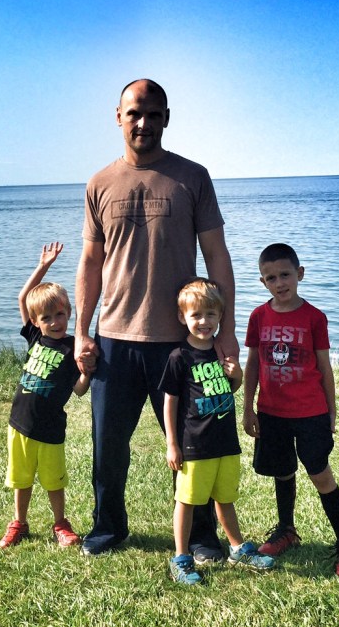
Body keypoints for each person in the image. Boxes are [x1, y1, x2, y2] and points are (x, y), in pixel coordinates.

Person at [75, 78, 239, 559]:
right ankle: (108, 527)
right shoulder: (100, 183)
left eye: (153, 114)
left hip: (181, 343)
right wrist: (82, 332)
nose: (143, 122)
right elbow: (90, 262)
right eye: (134, 113)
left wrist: (227, 331)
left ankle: (202, 536)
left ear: (166, 118)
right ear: (118, 117)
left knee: (194, 442)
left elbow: (217, 254)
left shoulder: (192, 177)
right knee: (108, 444)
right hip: (115, 338)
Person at [242, 242, 339, 577]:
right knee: (282, 471)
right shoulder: (258, 317)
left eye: (285, 275)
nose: (279, 283)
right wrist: (248, 407)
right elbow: (253, 364)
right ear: (262, 282)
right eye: (270, 278)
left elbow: (324, 367)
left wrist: (331, 411)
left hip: (310, 413)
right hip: (272, 412)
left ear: (300, 274)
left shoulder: (314, 317)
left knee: (320, 474)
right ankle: (287, 530)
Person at [161, 279, 275, 585]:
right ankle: (181, 557)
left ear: (220, 316)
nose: (204, 321)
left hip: (225, 442)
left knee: (225, 499)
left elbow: (226, 392)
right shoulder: (179, 357)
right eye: (196, 315)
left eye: (211, 314)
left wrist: (236, 377)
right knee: (186, 501)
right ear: (182, 317)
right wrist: (172, 443)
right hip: (195, 445)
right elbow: (170, 401)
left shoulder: (221, 351)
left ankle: (237, 548)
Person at [0, 242, 90, 549]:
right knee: (21, 479)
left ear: (69, 313)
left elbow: (79, 390)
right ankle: (19, 523)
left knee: (54, 481)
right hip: (20, 424)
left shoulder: (72, 347)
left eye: (60, 314)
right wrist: (43, 266)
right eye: (47, 317)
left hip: (51, 429)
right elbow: (23, 297)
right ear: (36, 321)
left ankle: (60, 524)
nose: (55, 322)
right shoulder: (35, 337)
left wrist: (87, 371)